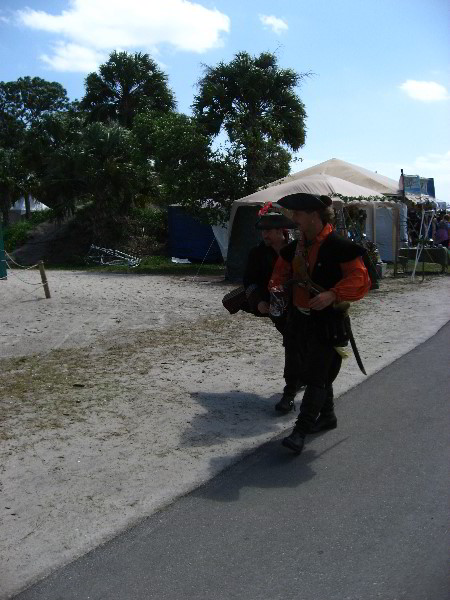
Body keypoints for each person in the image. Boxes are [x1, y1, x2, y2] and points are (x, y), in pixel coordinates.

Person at [269, 193, 371, 454]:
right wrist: (277, 289)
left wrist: (333, 294)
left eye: (298, 215)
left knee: (316, 376)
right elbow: (280, 272)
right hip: (300, 322)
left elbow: (360, 279)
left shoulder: (339, 245)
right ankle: (328, 416)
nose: (294, 220)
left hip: (328, 323)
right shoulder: (297, 247)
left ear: (314, 216)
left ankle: (300, 432)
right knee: (316, 372)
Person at [242, 203, 304, 412]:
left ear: (280, 231)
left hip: (301, 305)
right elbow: (249, 281)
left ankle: (289, 391)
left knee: (293, 342)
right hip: (273, 307)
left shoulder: (299, 249)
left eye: (268, 231)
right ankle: (298, 379)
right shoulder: (257, 254)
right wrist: (258, 301)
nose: (264, 235)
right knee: (293, 341)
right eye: (263, 231)